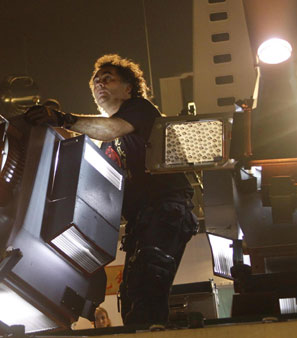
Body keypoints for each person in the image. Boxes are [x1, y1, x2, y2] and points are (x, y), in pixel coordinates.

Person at [26, 54, 197, 328]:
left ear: (129, 88)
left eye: (108, 79)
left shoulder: (140, 109)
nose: (100, 84)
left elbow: (110, 128)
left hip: (166, 209)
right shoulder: (102, 140)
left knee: (148, 286)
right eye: (96, 81)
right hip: (141, 221)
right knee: (131, 296)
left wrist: (63, 118)